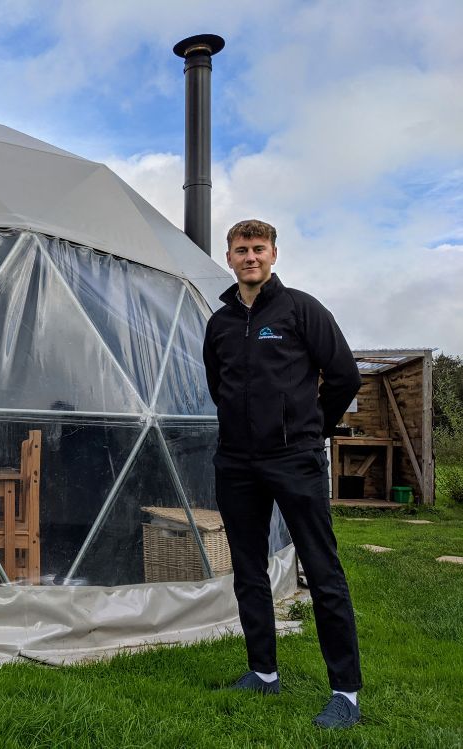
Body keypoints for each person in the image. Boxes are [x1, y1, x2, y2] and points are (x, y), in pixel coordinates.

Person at [202, 219, 363, 729]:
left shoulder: (300, 309)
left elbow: (344, 376)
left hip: (295, 459)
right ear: (228, 257)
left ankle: (345, 692)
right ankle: (263, 672)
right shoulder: (220, 323)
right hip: (236, 461)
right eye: (240, 249)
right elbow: (218, 383)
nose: (250, 257)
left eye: (259, 248)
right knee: (248, 569)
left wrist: (314, 428)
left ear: (273, 254)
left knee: (322, 570)